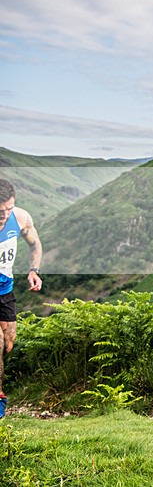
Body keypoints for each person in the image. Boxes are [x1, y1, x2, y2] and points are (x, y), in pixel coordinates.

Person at [0, 178, 43, 419]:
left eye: (8, 208)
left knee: (8, 343)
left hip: (4, 291)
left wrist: (34, 271)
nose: (4, 215)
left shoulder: (21, 217)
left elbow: (35, 244)